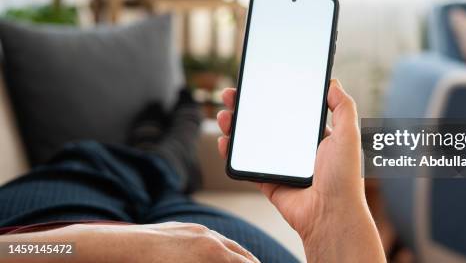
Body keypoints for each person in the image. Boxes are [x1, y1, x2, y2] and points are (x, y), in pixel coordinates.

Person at [0, 80, 386, 262]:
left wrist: (98, 247)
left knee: (96, 165)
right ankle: (169, 141)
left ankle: (158, 142)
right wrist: (332, 219)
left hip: (55, 229)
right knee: (163, 183)